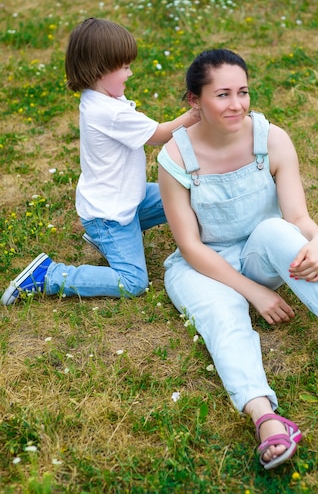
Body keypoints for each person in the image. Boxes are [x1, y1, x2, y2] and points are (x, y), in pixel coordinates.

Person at [156, 48, 318, 470]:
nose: (236, 104)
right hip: (202, 266)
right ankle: (264, 415)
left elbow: (297, 218)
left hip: (259, 249)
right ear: (194, 101)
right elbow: (192, 247)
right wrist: (255, 294)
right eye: (222, 95)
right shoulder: (175, 159)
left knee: (277, 230)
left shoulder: (271, 139)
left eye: (243, 92)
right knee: (224, 315)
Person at [1, 18, 199, 305]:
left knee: (187, 193)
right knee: (132, 282)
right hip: (110, 216)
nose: (130, 73)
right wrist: (197, 112)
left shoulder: (100, 97)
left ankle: (108, 242)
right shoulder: (108, 111)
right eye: (125, 67)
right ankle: (49, 275)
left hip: (130, 198)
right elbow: (158, 135)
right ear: (99, 69)